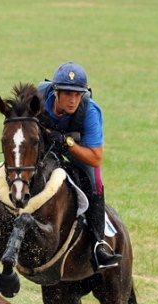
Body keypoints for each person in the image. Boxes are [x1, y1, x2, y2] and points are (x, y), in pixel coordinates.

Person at [39, 62, 121, 269]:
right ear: (55, 91)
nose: (73, 100)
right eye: (67, 93)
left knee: (96, 183)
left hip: (78, 152)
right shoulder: (37, 97)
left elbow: (96, 158)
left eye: (78, 94)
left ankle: (98, 245)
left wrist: (67, 143)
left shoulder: (91, 112)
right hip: (44, 147)